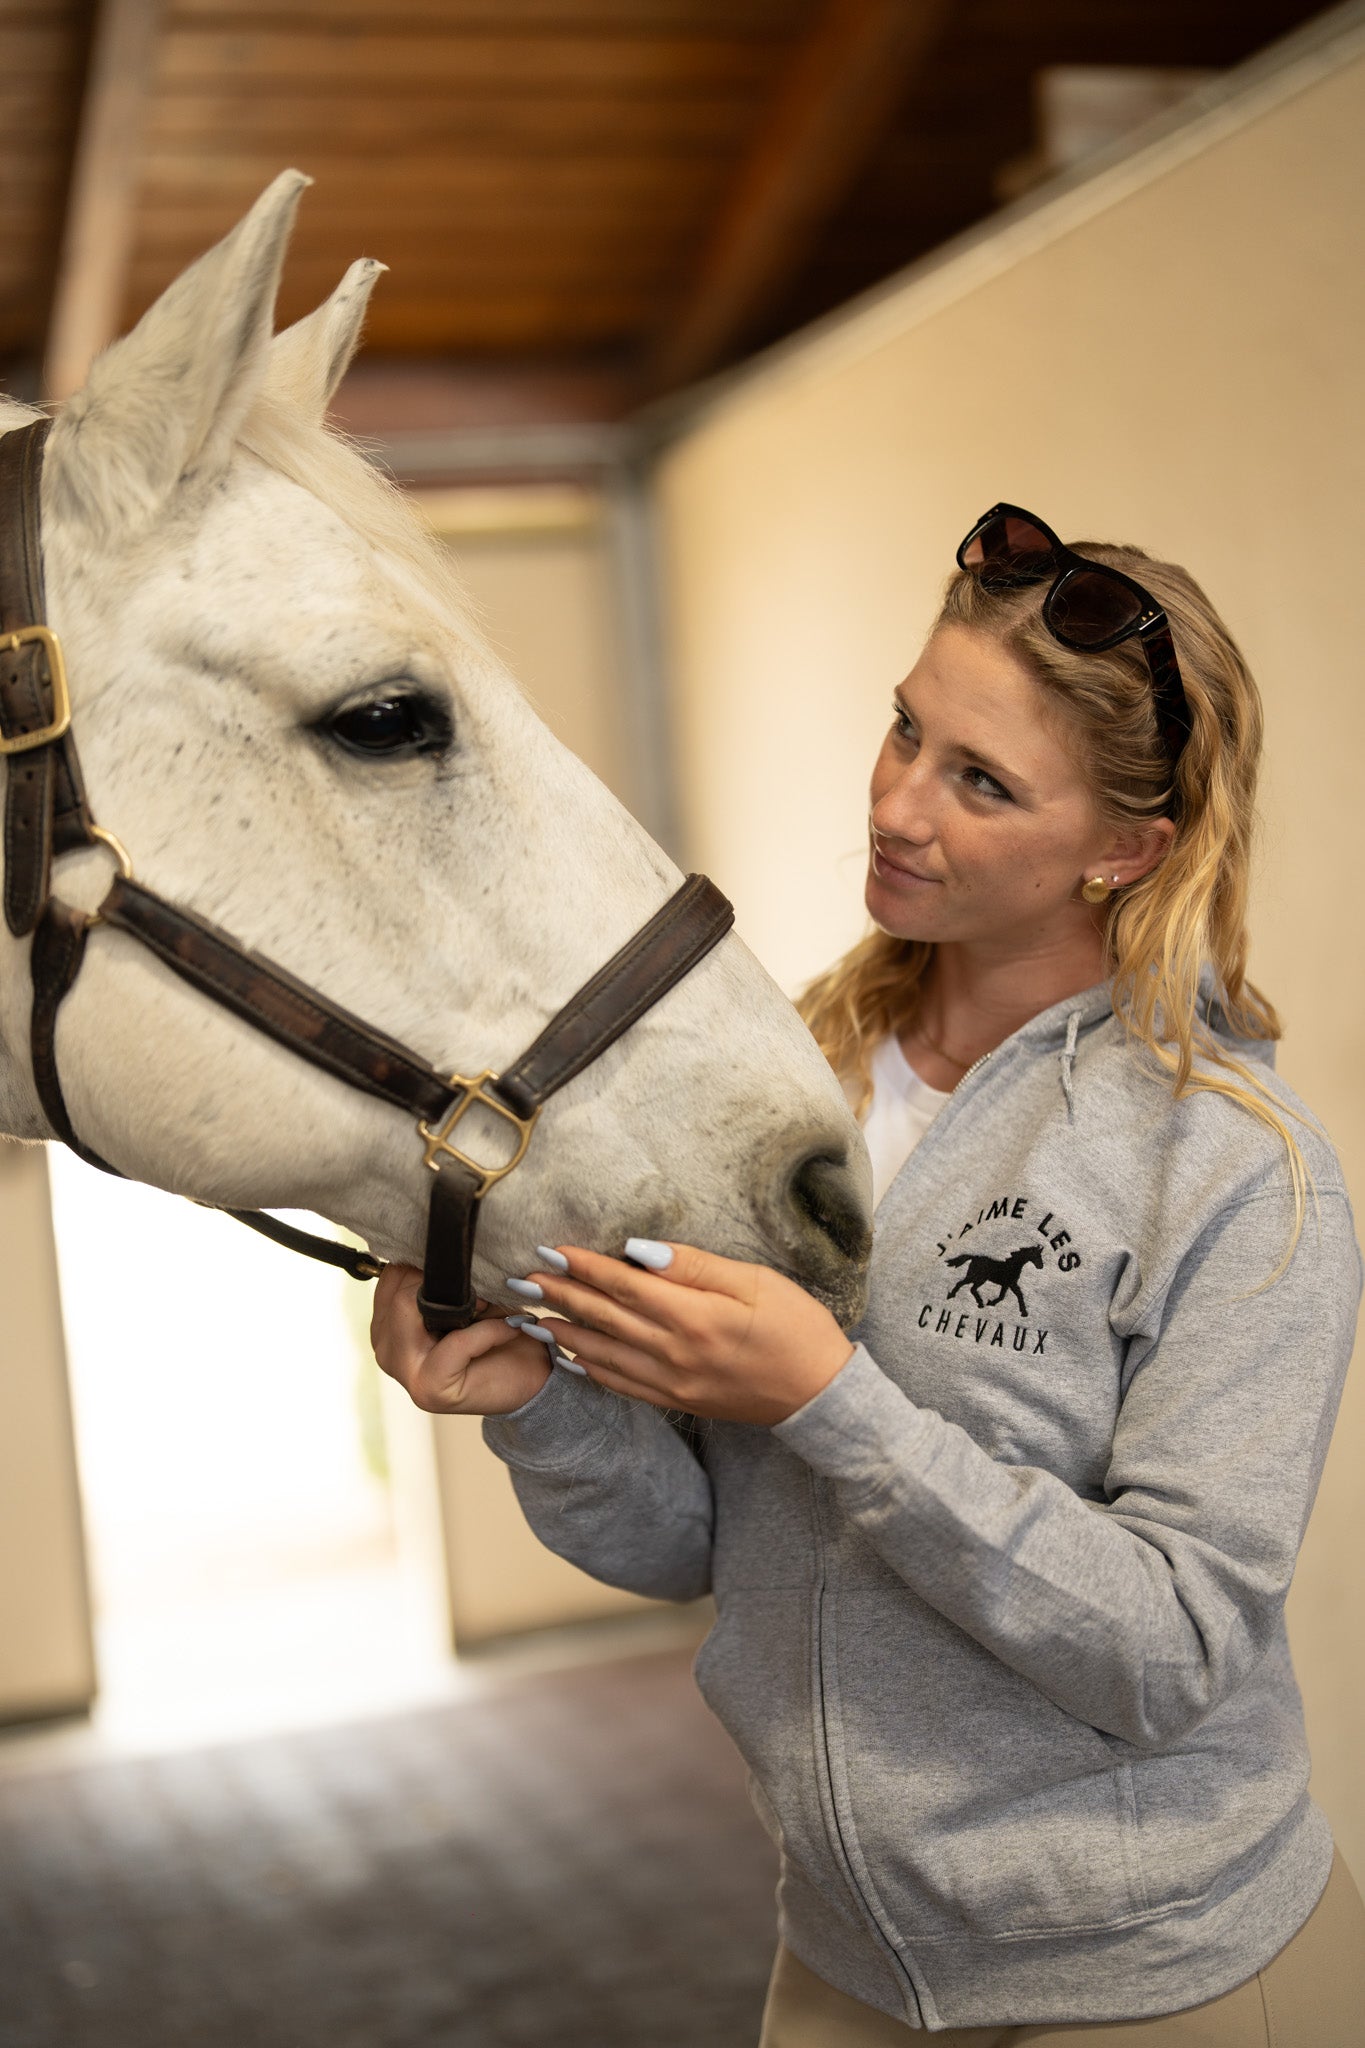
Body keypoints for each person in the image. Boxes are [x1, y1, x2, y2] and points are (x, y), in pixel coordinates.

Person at [371, 504, 1365, 2044]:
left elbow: (1166, 1654)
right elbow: (703, 1544)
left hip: (1161, 1975)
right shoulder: (785, 1081)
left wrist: (832, 1401)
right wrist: (542, 1412)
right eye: (906, 729)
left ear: (1124, 850)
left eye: (980, 782)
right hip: (841, 1964)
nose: (899, 803)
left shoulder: (1230, 1165)